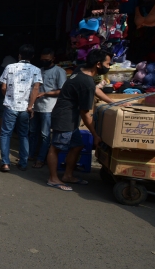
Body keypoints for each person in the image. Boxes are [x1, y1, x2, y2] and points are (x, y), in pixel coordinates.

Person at [46, 49, 110, 191]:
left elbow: (94, 88)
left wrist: (111, 102)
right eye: (108, 63)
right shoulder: (86, 82)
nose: (109, 66)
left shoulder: (81, 69)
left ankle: (68, 175)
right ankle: (53, 178)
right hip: (64, 118)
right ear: (98, 64)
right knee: (55, 148)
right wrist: (95, 135)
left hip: (70, 118)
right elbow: (85, 113)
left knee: (77, 146)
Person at [0, 44, 43, 172]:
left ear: (19, 55)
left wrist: (8, 98)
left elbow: (3, 87)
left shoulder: (9, 67)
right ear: (32, 56)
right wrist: (30, 106)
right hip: (25, 108)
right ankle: (23, 163)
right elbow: (36, 89)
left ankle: (5, 163)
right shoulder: (36, 70)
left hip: (10, 106)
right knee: (24, 135)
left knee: (6, 134)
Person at [29, 48, 67, 168]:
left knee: (45, 135)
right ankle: (30, 155)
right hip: (36, 107)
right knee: (32, 132)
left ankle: (41, 159)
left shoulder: (59, 72)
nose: (44, 61)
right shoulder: (39, 70)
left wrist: (45, 94)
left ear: (52, 59)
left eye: (47, 59)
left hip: (49, 107)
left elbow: (61, 91)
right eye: (42, 59)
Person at [0, 48, 17, 136]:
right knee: (1, 114)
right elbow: (3, 87)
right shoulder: (5, 71)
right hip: (1, 95)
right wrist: (6, 95)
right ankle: (1, 132)